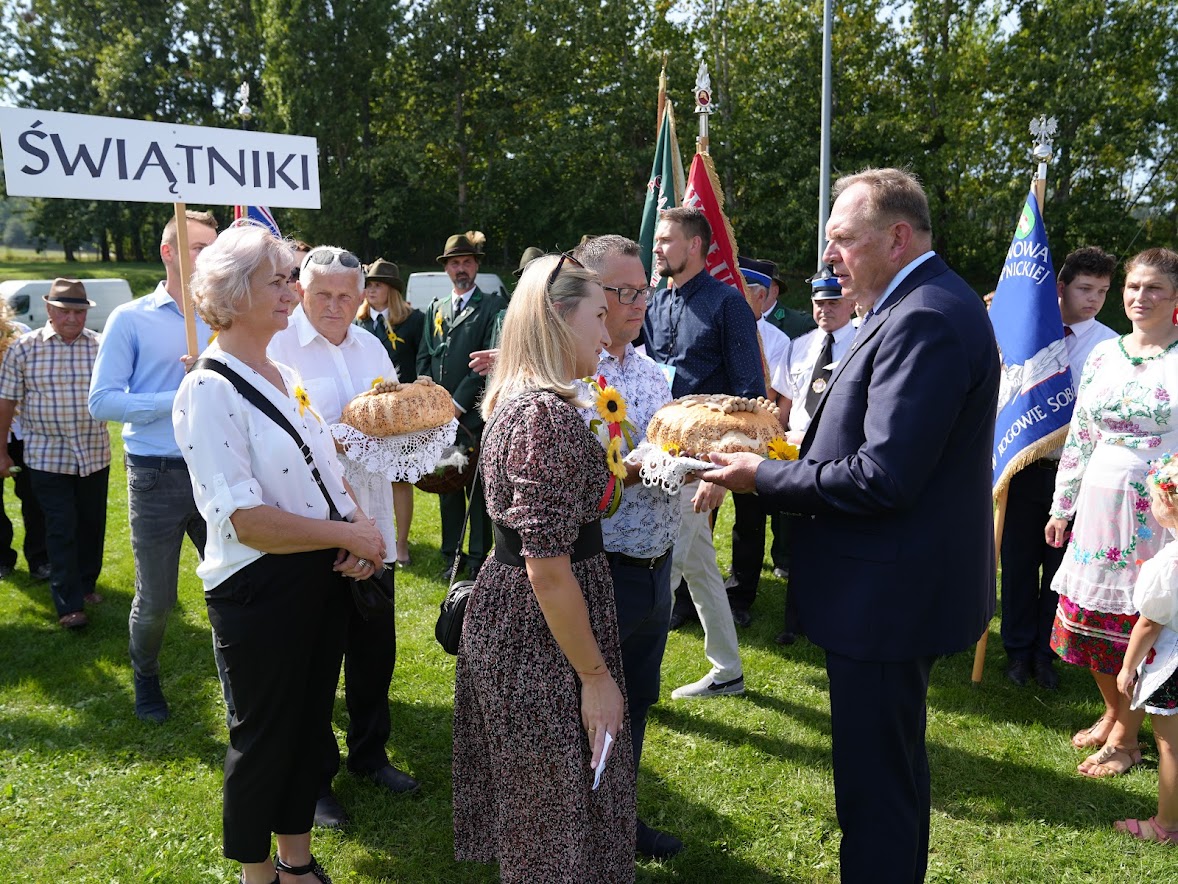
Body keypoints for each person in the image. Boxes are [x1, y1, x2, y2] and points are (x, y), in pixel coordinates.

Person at [707, 168, 999, 882]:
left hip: (889, 599)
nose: (828, 258)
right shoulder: (917, 304)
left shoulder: (925, 315)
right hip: (891, 587)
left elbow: (883, 476)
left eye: (842, 239)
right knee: (889, 771)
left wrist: (761, 477)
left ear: (897, 238)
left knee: (877, 790)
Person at [175, 224, 385, 884]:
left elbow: (325, 466)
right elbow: (246, 520)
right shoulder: (208, 389)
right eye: (278, 280)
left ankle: (297, 862)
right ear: (232, 294)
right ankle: (256, 874)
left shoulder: (284, 372)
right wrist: (346, 536)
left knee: (305, 728)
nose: (292, 292)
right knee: (264, 739)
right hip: (259, 588)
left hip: (318, 572)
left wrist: (355, 525)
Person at [452, 253, 635, 881]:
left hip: (531, 622)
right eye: (599, 316)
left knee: (546, 810)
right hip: (541, 633)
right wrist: (596, 678)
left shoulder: (527, 402)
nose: (607, 335)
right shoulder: (545, 418)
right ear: (558, 319)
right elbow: (548, 570)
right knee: (552, 814)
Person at [269, 245, 419, 831]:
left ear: (363, 297)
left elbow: (389, 424)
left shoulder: (372, 346)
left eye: (346, 295)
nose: (335, 305)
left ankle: (370, 753)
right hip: (312, 530)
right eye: (322, 294)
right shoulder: (276, 347)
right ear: (301, 292)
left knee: (374, 650)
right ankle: (316, 781)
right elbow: (282, 448)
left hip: (373, 523)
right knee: (314, 662)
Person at [1045, 247, 1178, 778]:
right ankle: (1114, 711)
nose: (1139, 297)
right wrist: (1063, 504)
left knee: (1143, 622)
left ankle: (1127, 740)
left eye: (1154, 289)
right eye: (1133, 287)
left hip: (1159, 515)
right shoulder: (1104, 354)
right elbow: (1081, 434)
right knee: (1088, 623)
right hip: (1099, 506)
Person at [573, 234, 683, 859]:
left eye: (645, 289)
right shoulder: (572, 376)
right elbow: (579, 474)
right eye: (624, 292)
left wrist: (699, 473)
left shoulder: (652, 372)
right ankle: (578, 826)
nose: (640, 301)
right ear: (590, 294)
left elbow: (668, 449)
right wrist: (634, 469)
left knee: (637, 697)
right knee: (588, 700)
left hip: (654, 563)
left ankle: (618, 820)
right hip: (597, 565)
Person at [89, 208, 218, 722]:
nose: (210, 257)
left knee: (235, 585)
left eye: (214, 248)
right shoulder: (131, 318)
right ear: (169, 253)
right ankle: (145, 675)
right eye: (199, 249)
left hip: (217, 469)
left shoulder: (224, 317)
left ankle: (243, 682)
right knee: (159, 599)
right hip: (156, 474)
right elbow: (102, 402)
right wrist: (179, 396)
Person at [644, 206, 764, 699]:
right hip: (656, 451)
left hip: (699, 463)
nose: (657, 248)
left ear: (695, 246)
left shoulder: (727, 304)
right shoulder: (654, 302)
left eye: (666, 239)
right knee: (698, 566)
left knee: (662, 568)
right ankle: (729, 670)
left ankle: (633, 677)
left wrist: (719, 476)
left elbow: (748, 392)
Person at [1001, 246, 1118, 691]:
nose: (1093, 299)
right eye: (1085, 288)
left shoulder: (1108, 345)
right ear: (1060, 287)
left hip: (1075, 475)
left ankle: (1046, 654)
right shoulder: (1031, 332)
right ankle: (1014, 650)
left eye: (1103, 291)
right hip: (1025, 465)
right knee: (1016, 563)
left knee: (1058, 568)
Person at [0, 279, 110, 630]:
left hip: (94, 452)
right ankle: (69, 605)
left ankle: (87, 584)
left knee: (91, 524)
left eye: (79, 312)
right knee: (61, 527)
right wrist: (1, 451)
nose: (73, 319)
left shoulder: (100, 346)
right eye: (65, 312)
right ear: (49, 310)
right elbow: (6, 401)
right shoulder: (25, 348)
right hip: (46, 455)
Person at [760, 267, 856, 645]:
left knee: (835, 536)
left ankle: (836, 614)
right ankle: (794, 621)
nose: (824, 310)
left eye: (832, 301)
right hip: (798, 452)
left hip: (838, 452)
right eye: (818, 302)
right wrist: (776, 441)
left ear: (850, 301)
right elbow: (785, 402)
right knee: (798, 537)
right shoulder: (800, 346)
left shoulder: (864, 343)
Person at [416, 232, 507, 579]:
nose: (461, 269)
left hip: (473, 415)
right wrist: (430, 397)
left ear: (476, 265)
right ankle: (449, 553)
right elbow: (425, 357)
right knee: (446, 483)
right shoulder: (435, 308)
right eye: (455, 263)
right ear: (446, 269)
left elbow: (488, 364)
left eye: (467, 262)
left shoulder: (492, 308)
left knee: (477, 488)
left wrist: (456, 403)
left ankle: (476, 558)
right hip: (439, 418)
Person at [722, 256, 792, 630]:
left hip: (753, 436)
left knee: (748, 521)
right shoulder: (722, 325)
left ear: (762, 296)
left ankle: (740, 594)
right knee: (700, 514)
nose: (733, 296)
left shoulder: (778, 341)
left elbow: (773, 393)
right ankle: (686, 592)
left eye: (742, 290)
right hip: (716, 431)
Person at [1114, 452, 1178, 845]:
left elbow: (1150, 623)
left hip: (1173, 664)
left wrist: (1127, 667)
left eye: (1154, 498)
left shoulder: (1168, 564)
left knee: (1170, 745)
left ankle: (1167, 825)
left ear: (1168, 505)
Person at [355, 257, 424, 567]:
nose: (370, 289)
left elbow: (422, 360)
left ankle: (401, 543)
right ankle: (369, 536)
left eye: (377, 284)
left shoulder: (413, 320)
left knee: (398, 479)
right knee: (366, 476)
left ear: (392, 290)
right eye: (367, 284)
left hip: (401, 413)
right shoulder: (357, 322)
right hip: (367, 413)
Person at [0, 307, 49, 582]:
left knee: (34, 498)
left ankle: (40, 559)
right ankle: (2, 558)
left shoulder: (20, 332)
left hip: (22, 432)